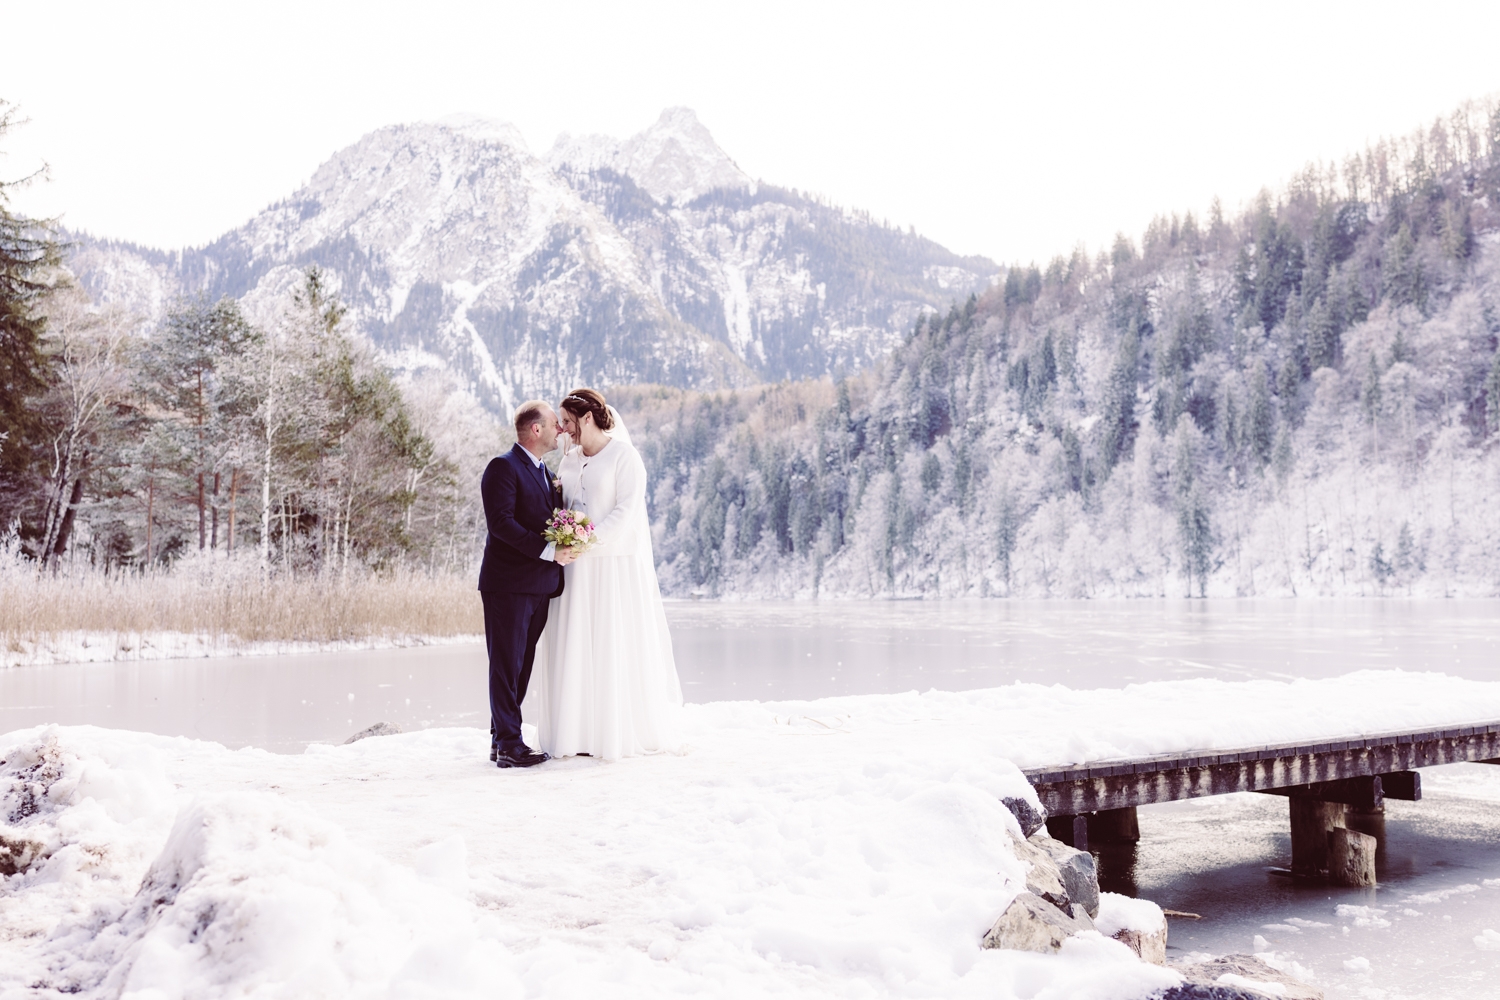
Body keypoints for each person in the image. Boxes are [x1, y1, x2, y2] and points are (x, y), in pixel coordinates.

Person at [527, 388, 682, 760]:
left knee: (608, 643)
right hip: (573, 569)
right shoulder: (569, 457)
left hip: (610, 568)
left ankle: (611, 733)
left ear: (587, 417)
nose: (561, 429)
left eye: (566, 421)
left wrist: (588, 540)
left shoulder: (624, 457)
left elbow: (626, 511)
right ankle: (574, 733)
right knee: (574, 644)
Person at [477, 401, 577, 769]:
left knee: (520, 665)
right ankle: (508, 745)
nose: (560, 429)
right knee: (505, 665)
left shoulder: (544, 471)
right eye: (555, 423)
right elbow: (501, 524)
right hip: (508, 584)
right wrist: (550, 551)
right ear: (536, 430)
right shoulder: (502, 467)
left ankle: (501, 739)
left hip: (539, 585)